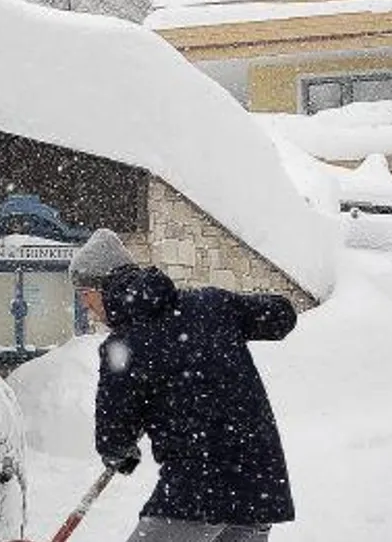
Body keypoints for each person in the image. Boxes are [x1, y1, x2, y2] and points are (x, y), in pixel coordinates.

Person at [67, 228, 297, 542]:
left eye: (84, 294)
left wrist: (120, 453)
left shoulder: (122, 346)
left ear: (101, 286)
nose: (86, 306)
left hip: (197, 492)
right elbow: (281, 315)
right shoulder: (211, 304)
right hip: (258, 487)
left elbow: (114, 434)